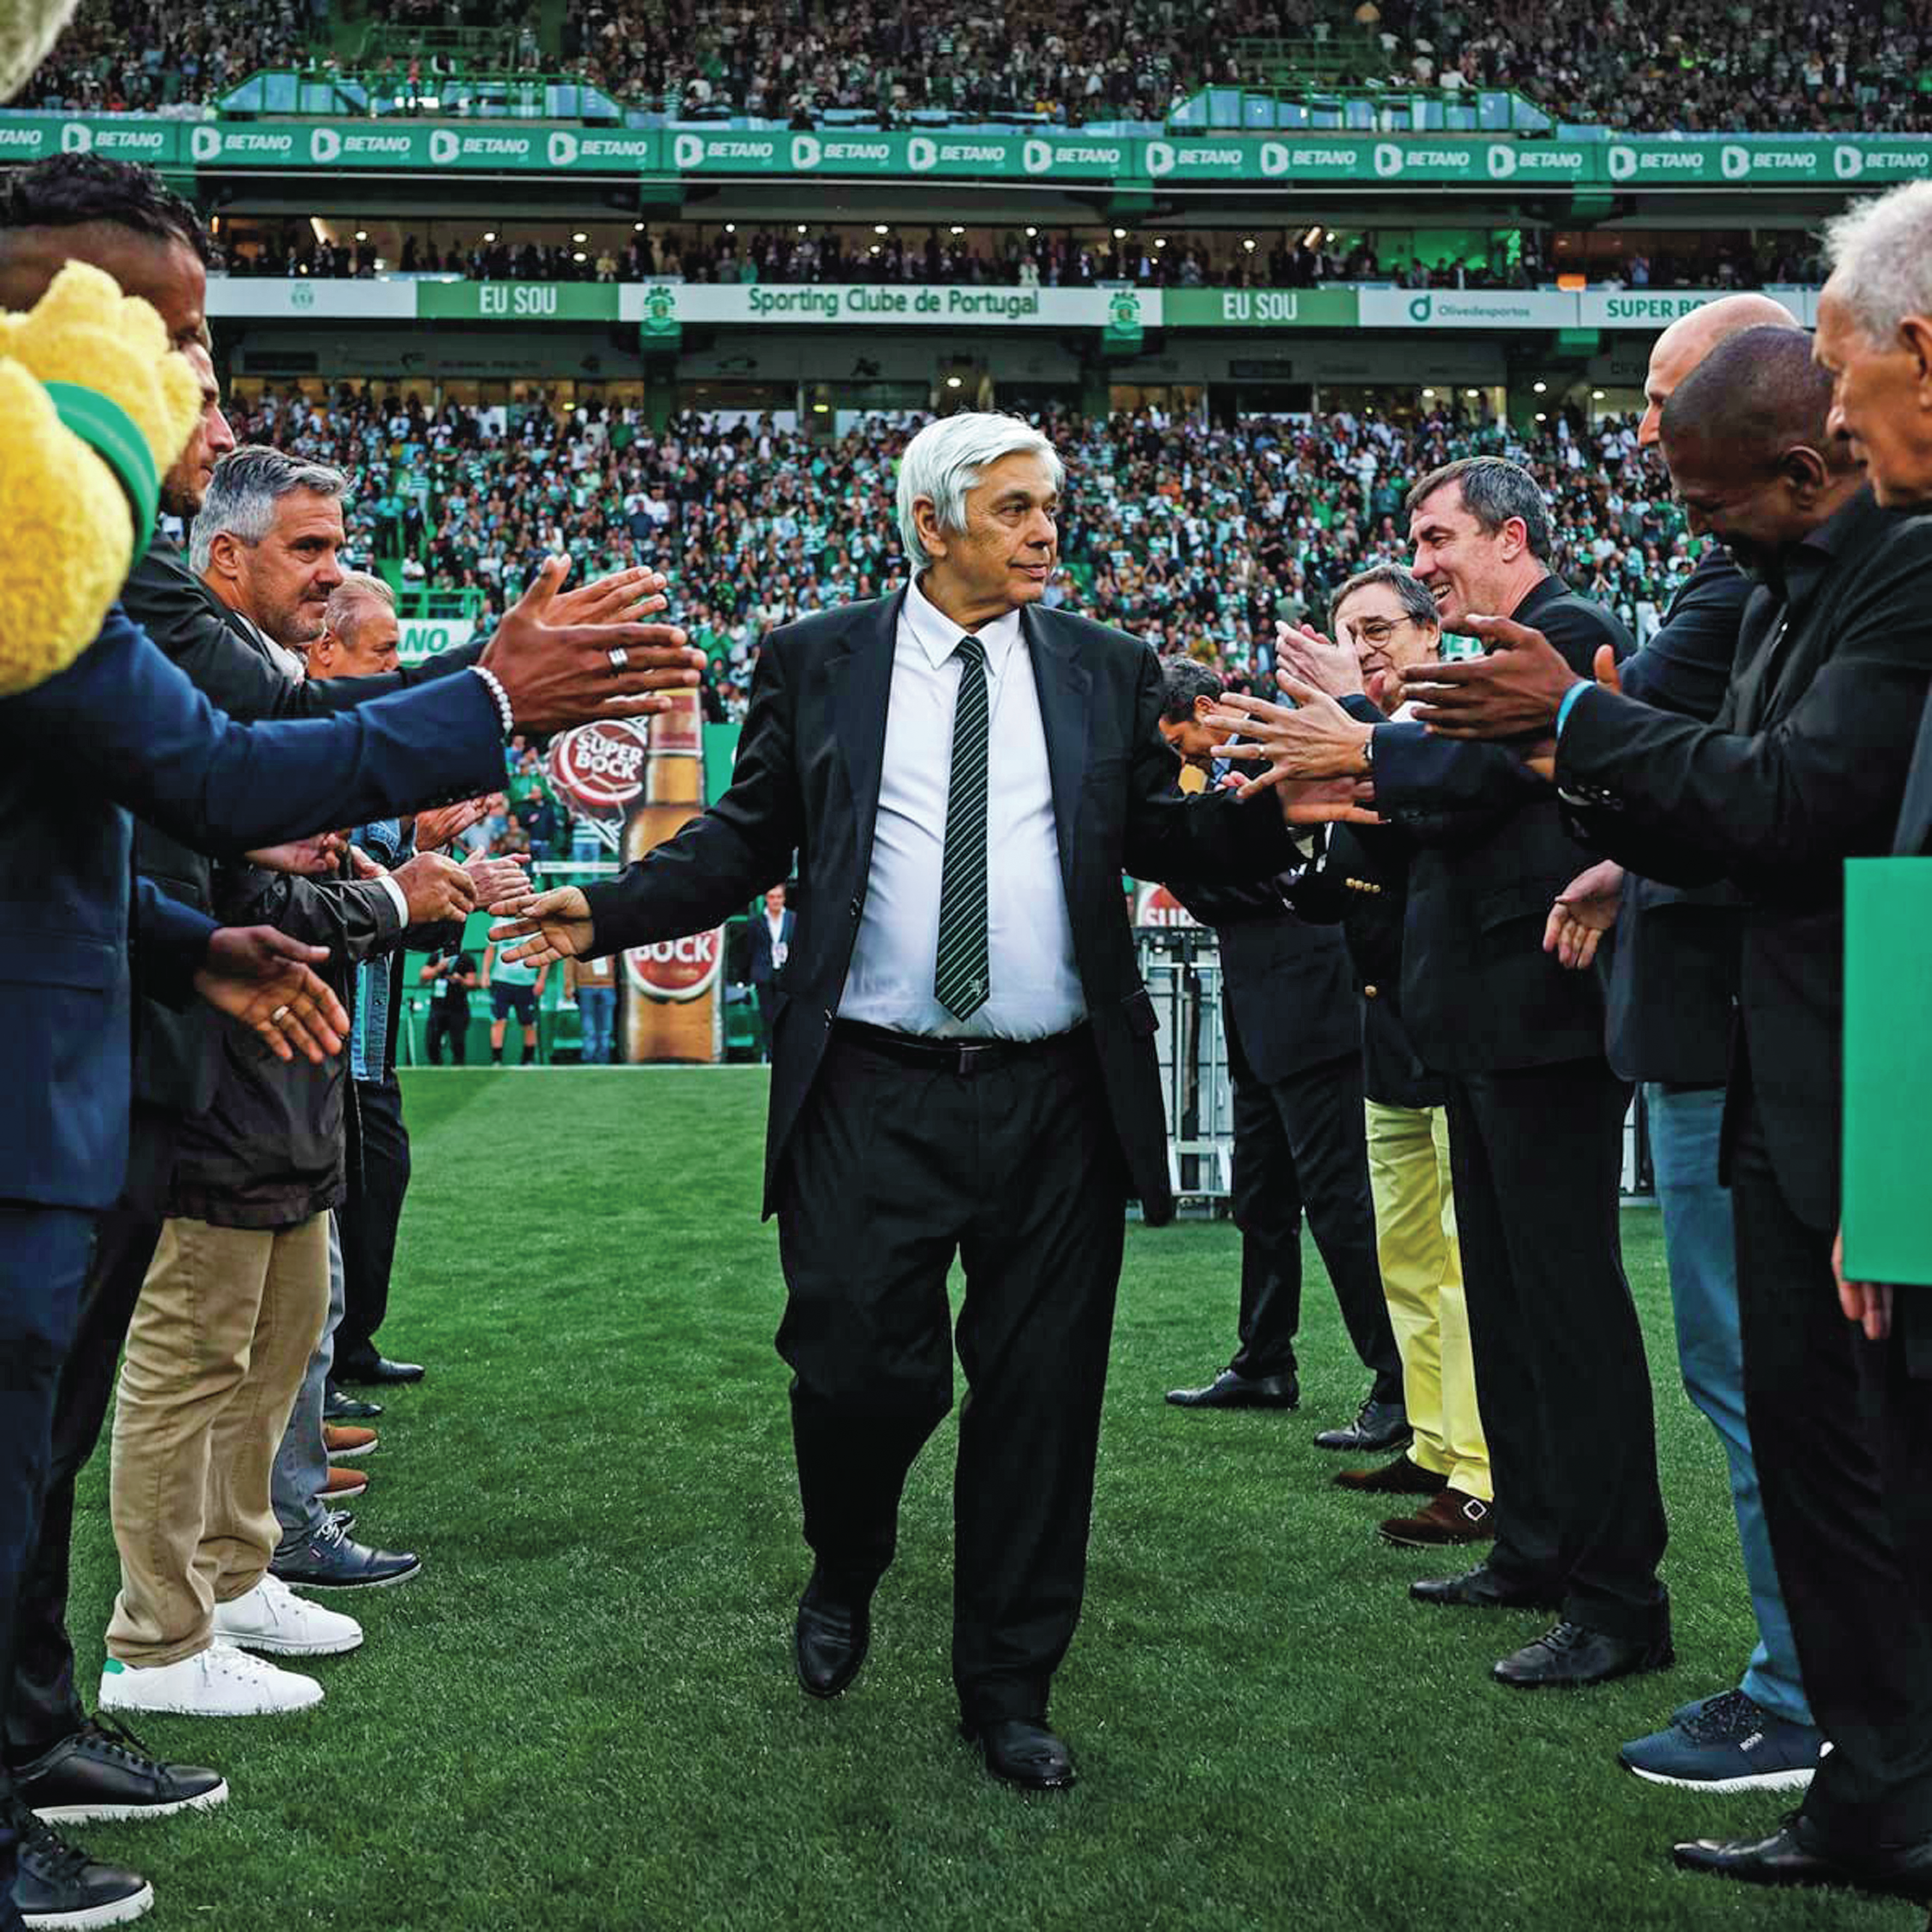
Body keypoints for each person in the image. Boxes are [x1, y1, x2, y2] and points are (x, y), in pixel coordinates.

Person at [0, 148, 704, 1932]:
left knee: (43, 1455)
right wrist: (494, 699)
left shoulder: (78, 541)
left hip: (84, 1071)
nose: (202, 386)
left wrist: (197, 935)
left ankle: (24, 1751)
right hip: (38, 1105)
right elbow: (235, 768)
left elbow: (77, 850)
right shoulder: (51, 544)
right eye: (168, 336)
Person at [489, 411, 1367, 1792]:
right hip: (869, 1090)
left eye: (1051, 505)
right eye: (1015, 507)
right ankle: (848, 1556)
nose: (1044, 529)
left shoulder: (1106, 668)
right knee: (853, 1366)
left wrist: (1280, 808)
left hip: (1058, 1097)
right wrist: (605, 907)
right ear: (929, 523)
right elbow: (746, 836)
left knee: (1041, 1399)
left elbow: (1173, 837)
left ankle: (1008, 1686)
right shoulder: (817, 661)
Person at [1407, 317, 1932, 1904]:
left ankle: (1865, 1762)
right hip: (1789, 1052)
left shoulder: (1896, 572)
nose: (1676, 511)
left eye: (1699, 488)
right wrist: (1612, 772)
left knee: (1878, 1442)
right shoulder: (1786, 585)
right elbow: (1728, 815)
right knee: (1800, 1428)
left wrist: (1574, 722)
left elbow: (1808, 816)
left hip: (1883, 1052)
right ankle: (1864, 1782)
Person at [1209, 458, 1671, 1690]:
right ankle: (1528, 1543)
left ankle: (1619, 1592)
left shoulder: (1567, 637)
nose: (1420, 560)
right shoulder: (1485, 652)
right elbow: (1430, 796)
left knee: (1567, 1306)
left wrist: (1360, 741)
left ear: (1510, 535)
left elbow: (1461, 788)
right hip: (1472, 1020)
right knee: (1509, 1303)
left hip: (1542, 1021)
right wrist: (1371, 742)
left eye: (1436, 538)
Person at [1546, 296, 1825, 1793]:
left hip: (1793, 1029)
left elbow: (1779, 799)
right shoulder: (1779, 574)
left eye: (1675, 402)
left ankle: (1804, 1686)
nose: (1651, 433)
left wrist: (1584, 752)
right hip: (1781, 1015)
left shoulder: (1819, 583)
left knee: (1771, 1377)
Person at [1281, 568, 1492, 1548]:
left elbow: (1443, 830)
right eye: (1344, 630)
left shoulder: (1462, 711)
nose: (1360, 645)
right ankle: (1431, 1436)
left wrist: (1356, 713)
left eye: (1375, 628)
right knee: (1404, 1249)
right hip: (1385, 1024)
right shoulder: (1362, 735)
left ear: (1429, 631)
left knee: (1457, 1258)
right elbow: (1341, 884)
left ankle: (1482, 1468)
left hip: (1453, 1023)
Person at [1154, 659, 1407, 1450]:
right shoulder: (1214, 785)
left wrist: (1211, 853)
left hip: (1311, 999)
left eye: (1175, 741)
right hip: (1258, 1001)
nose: (1176, 760)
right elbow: (1215, 881)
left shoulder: (1275, 754)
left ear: (1204, 709)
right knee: (1260, 1194)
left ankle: (1400, 1381)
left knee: (1340, 1199)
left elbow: (1284, 879)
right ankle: (1263, 1356)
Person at [744, 882, 794, 1063]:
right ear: (766, 899)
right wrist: (748, 976)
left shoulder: (793, 919)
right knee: (768, 1017)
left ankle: (786, 1054)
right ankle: (772, 1055)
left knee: (787, 1017)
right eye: (772, 897)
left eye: (779, 897)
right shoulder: (756, 922)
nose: (776, 901)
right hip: (764, 974)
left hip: (786, 975)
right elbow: (749, 951)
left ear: (784, 899)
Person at [482, 936, 547, 1065]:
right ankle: (497, 1060)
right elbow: (490, 949)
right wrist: (485, 973)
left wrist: (541, 980)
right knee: (499, 1020)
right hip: (501, 982)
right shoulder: (499, 922)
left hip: (527, 983)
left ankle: (528, 1060)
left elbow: (545, 954)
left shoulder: (535, 924)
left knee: (529, 1023)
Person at [422, 946, 479, 1064]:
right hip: (438, 1006)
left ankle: (458, 1066)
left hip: (458, 1006)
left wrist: (460, 980)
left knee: (457, 1040)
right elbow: (424, 976)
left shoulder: (466, 958)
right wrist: (439, 968)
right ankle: (436, 1064)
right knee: (433, 1039)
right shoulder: (436, 957)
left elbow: (472, 983)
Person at [566, 952, 618, 1064]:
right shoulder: (581, 941)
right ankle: (589, 1059)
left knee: (606, 1028)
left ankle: (604, 1060)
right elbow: (570, 962)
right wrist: (569, 985)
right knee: (588, 1028)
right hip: (586, 987)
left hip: (608, 986)